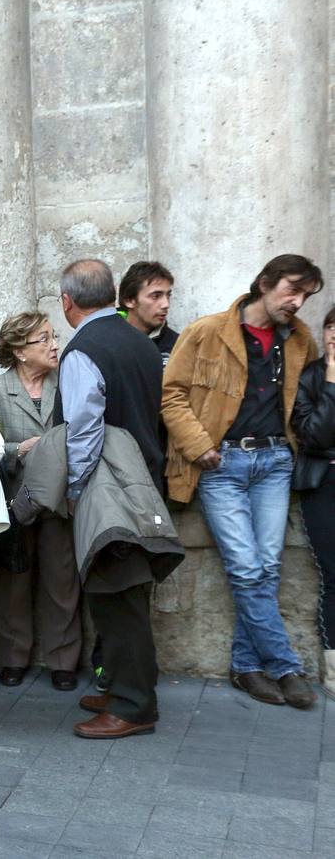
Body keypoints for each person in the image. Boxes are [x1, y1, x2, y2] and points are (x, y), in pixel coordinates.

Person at [161, 253, 322, 710]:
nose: (297, 301)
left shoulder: (300, 340)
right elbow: (171, 395)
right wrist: (199, 446)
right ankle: (286, 666)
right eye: (292, 289)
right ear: (265, 283)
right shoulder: (207, 331)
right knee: (247, 568)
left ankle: (246, 667)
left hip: (274, 462)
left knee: (267, 567)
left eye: (306, 295)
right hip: (221, 465)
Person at [54, 259, 169, 737]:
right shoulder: (140, 341)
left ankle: (133, 706)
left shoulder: (85, 348)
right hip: (144, 483)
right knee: (122, 595)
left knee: (118, 598)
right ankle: (124, 685)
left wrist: (77, 490)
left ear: (67, 301)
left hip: (110, 492)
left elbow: (83, 428)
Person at [0, 312, 81, 689]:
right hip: (14, 500)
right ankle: (13, 657)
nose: (55, 345)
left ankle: (63, 661)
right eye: (44, 339)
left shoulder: (67, 386)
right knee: (12, 580)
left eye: (54, 337)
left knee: (62, 580)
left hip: (58, 501)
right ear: (21, 351)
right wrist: (16, 450)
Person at [290, 304, 335, 699]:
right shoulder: (312, 378)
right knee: (334, 574)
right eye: (331, 329)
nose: (334, 336)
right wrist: (333, 382)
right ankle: (334, 665)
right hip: (323, 484)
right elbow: (315, 436)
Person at [117, 261, 178, 367]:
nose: (166, 304)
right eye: (155, 296)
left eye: (168, 295)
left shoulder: (178, 346)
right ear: (129, 300)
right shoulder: (106, 339)